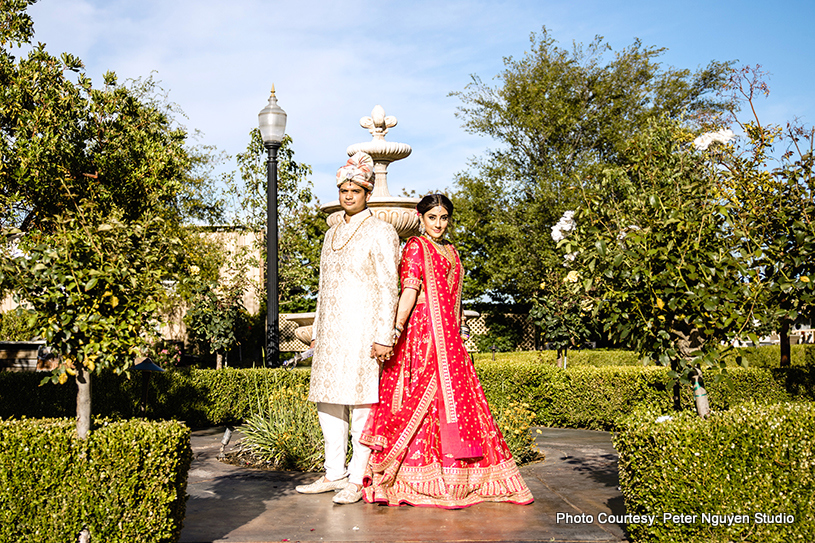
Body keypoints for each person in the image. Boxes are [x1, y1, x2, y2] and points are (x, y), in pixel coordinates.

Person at [360, 194, 534, 508]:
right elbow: (410, 291)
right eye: (432, 218)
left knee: (457, 403)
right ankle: (410, 477)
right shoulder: (416, 246)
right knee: (425, 402)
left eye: (443, 218)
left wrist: (458, 336)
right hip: (424, 336)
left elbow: (455, 299)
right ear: (420, 217)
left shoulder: (452, 251)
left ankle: (458, 475)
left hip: (450, 339)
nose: (438, 224)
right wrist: (395, 330)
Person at [295, 152, 400, 505]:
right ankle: (333, 473)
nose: (349, 195)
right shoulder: (332, 232)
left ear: (367, 192)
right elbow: (324, 285)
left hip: (363, 330)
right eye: (344, 190)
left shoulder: (382, 231)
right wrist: (317, 328)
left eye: (355, 190)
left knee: (362, 404)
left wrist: (384, 334)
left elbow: (389, 285)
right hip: (331, 331)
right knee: (328, 403)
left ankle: (357, 478)